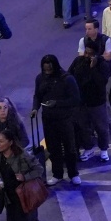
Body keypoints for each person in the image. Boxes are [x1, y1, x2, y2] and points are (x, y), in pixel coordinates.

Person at [29, 55, 82, 185]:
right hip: (48, 119)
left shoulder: (67, 79)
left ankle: (73, 174)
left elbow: (75, 99)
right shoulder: (40, 78)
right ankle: (57, 174)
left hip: (65, 119)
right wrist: (35, 108)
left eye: (49, 70)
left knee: (70, 148)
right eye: (45, 69)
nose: (47, 72)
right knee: (53, 148)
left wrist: (57, 103)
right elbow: (37, 95)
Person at [69, 41, 111, 164]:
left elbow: (101, 82)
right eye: (86, 52)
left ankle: (104, 149)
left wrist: (93, 69)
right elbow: (69, 75)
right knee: (84, 127)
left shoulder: (103, 65)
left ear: (97, 54)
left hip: (97, 102)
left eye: (90, 54)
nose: (87, 56)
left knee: (101, 127)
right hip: (81, 102)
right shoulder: (78, 61)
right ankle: (89, 147)